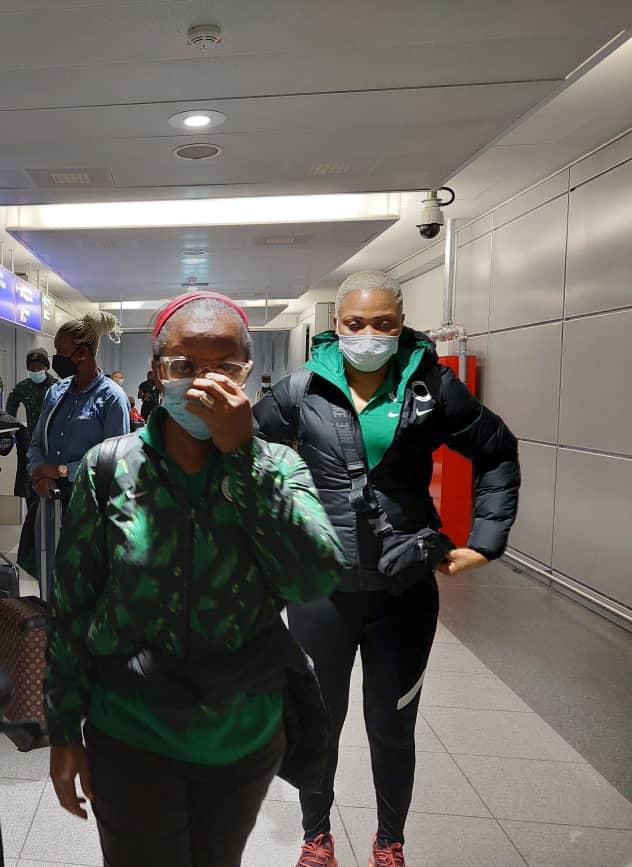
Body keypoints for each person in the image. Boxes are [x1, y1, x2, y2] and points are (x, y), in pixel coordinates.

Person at [45, 291, 344, 867]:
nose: (204, 382)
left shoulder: (278, 466)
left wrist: (242, 456)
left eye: (225, 366)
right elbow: (73, 604)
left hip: (242, 732)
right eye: (185, 365)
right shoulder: (108, 467)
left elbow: (313, 578)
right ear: (158, 371)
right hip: (128, 727)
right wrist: (63, 729)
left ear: (248, 374)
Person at [254, 270, 521, 867]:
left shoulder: (431, 387)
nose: (369, 334)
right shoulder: (301, 389)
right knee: (318, 724)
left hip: (403, 591)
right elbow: (243, 450)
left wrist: (486, 540)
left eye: (383, 324)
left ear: (401, 324)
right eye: (355, 323)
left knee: (391, 727)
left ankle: (389, 841)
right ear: (336, 326)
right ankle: (316, 837)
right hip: (320, 592)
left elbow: (497, 450)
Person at [23, 313, 130, 588]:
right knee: (48, 581)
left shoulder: (111, 398)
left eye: (61, 350)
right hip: (48, 503)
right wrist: (38, 473)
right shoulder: (55, 392)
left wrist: (63, 471)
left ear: (82, 353)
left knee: (82, 585)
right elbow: (36, 442)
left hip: (87, 510)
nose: (55, 357)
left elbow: (116, 461)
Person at [6, 348, 56, 435]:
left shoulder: (57, 386)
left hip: (53, 437)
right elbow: (11, 403)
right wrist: (11, 423)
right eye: (32, 368)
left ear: (46, 367)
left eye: (39, 367)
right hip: (32, 437)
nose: (36, 370)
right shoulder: (23, 387)